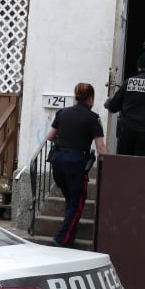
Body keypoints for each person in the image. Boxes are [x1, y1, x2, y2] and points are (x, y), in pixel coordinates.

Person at [46, 82, 106, 247]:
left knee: (71, 199)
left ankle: (69, 235)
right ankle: (62, 238)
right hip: (76, 162)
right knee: (77, 201)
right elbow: (100, 148)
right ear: (90, 99)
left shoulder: (62, 113)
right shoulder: (93, 118)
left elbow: (50, 137)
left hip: (58, 161)